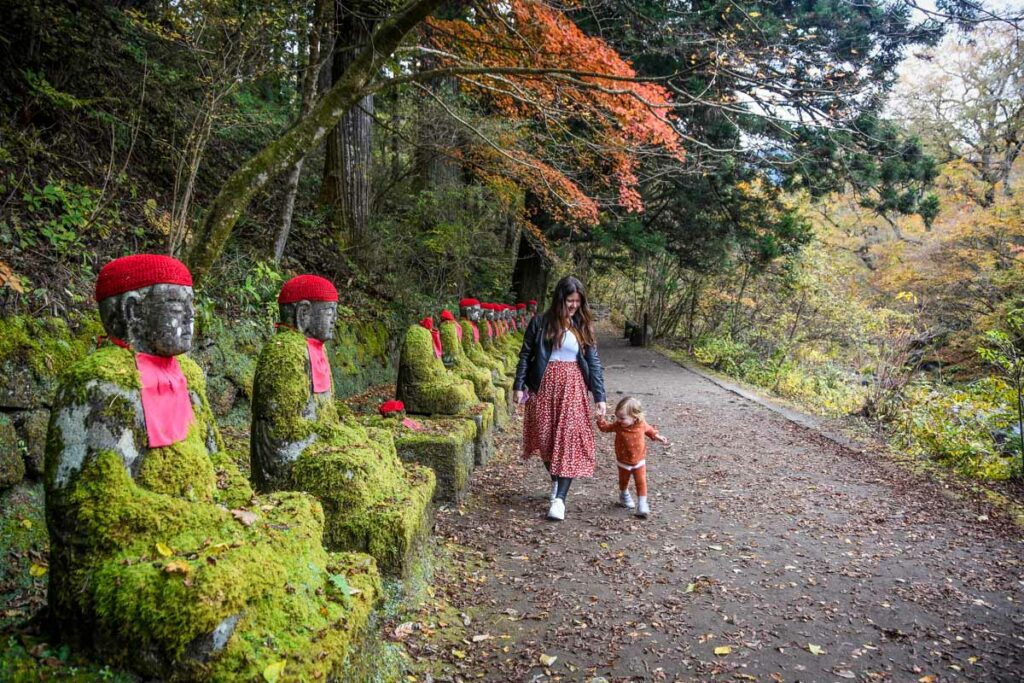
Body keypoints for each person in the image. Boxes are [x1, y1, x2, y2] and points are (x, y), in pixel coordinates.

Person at [514, 275, 606, 521]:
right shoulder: (540, 322)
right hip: (543, 386)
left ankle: (559, 500)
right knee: (546, 441)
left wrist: (600, 396)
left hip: (573, 388)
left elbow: (593, 362)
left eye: (577, 301)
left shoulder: (583, 325)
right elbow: (525, 354)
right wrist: (519, 385)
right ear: (559, 299)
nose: (573, 306)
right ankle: (556, 481)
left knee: (568, 442)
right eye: (569, 300)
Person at [597, 396, 669, 519]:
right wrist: (600, 419)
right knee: (623, 481)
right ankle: (624, 495)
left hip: (639, 460)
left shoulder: (641, 424)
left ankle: (642, 504)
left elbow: (649, 430)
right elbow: (605, 428)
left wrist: (657, 436)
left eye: (622, 418)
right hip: (623, 460)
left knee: (641, 482)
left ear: (635, 417)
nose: (619, 420)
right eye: (617, 417)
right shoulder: (618, 426)